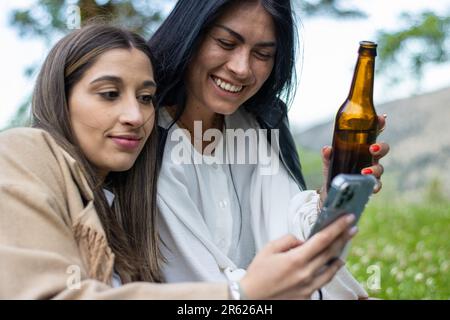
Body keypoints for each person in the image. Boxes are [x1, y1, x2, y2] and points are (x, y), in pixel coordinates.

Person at [0, 23, 356, 300]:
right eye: (109, 94)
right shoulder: (25, 152)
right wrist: (240, 294)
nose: (135, 115)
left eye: (145, 98)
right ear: (60, 98)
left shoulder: (129, 201)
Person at [149, 0, 389, 299]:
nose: (241, 68)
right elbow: (187, 275)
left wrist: (330, 199)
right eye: (226, 43)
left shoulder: (258, 124)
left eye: (263, 54)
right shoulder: (142, 137)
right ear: (190, 34)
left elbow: (291, 235)